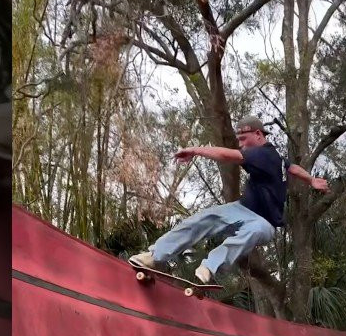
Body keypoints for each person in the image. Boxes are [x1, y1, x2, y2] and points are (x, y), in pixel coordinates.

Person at [129, 115, 330, 283]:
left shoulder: (261, 155)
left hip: (265, 223)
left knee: (253, 230)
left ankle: (210, 267)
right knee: (202, 219)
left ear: (258, 135)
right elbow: (292, 167)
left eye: (243, 139)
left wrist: (196, 150)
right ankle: (156, 256)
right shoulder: (275, 157)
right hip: (241, 208)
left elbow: (227, 156)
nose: (241, 144)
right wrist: (311, 180)